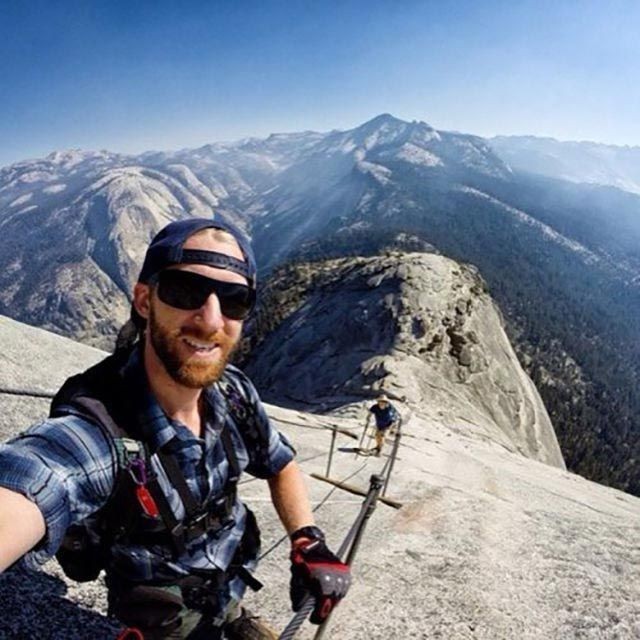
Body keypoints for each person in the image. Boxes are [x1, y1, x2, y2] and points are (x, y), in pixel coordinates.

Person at [0, 217, 351, 639]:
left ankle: (232, 617)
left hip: (228, 584)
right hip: (161, 621)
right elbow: (37, 477)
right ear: (144, 301)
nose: (211, 320)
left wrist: (307, 539)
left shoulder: (235, 393)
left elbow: (280, 464)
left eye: (235, 300)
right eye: (186, 290)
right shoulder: (101, 432)